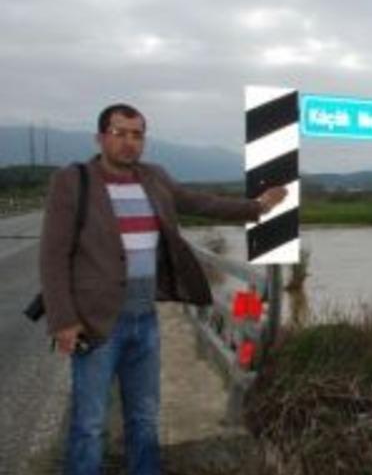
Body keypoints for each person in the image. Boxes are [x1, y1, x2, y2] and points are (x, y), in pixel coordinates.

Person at [39, 103, 286, 475]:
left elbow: (202, 203)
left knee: (145, 417)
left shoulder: (154, 177)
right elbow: (53, 255)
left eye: (136, 135)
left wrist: (257, 207)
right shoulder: (73, 181)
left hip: (145, 319)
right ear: (100, 137)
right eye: (119, 133)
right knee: (89, 425)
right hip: (95, 322)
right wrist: (63, 321)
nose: (128, 142)